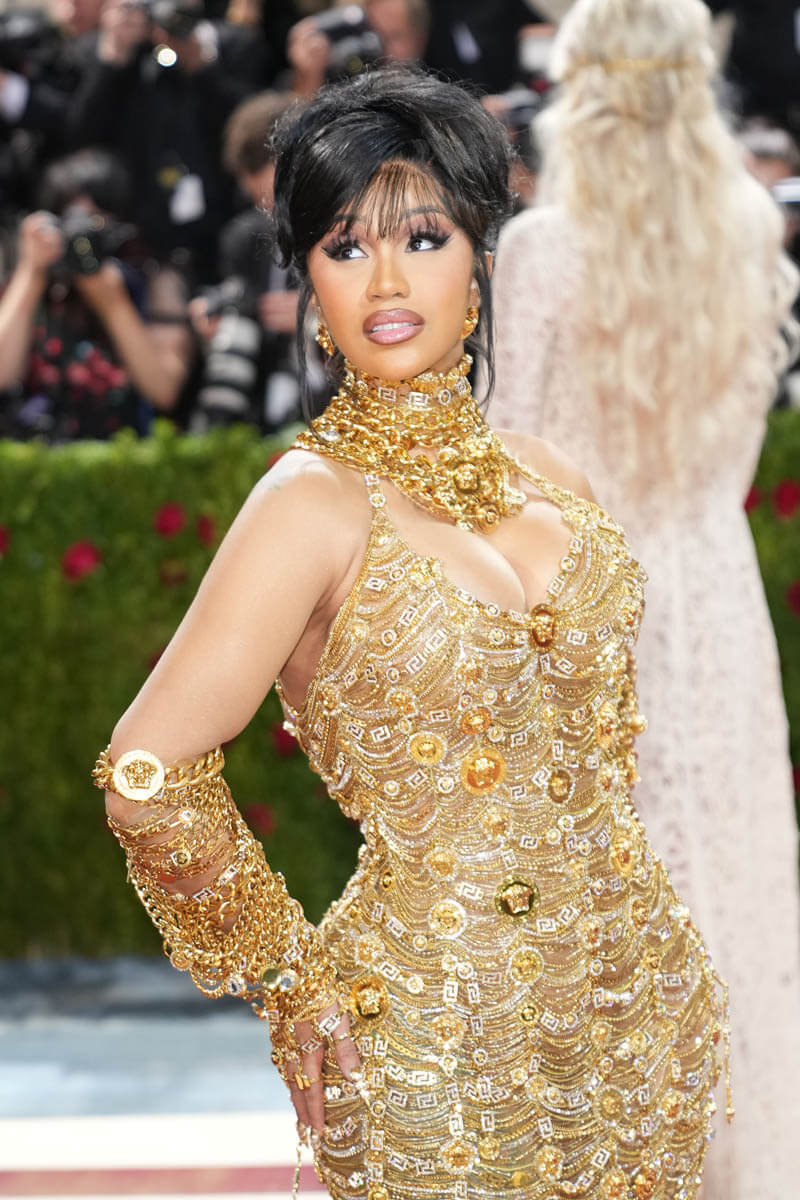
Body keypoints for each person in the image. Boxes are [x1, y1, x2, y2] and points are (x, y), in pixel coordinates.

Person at [94, 67, 729, 1200]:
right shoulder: (309, 504)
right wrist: (290, 981)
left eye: (423, 238)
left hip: (642, 1013)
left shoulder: (551, 474)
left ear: (478, 257)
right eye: (344, 247)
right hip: (428, 1043)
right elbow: (147, 774)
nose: (385, 281)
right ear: (308, 281)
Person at [488, 2, 800, 1197]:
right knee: (725, 885)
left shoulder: (542, 249)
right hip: (713, 595)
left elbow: (504, 462)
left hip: (578, 596)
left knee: (602, 895)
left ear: (580, 87)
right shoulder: (748, 226)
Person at [0, 148, 193, 440]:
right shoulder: (36, 281)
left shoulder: (153, 280)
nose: (81, 236)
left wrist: (113, 302)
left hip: (124, 455)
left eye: (96, 218)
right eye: (69, 216)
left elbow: (164, 390)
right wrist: (31, 273)